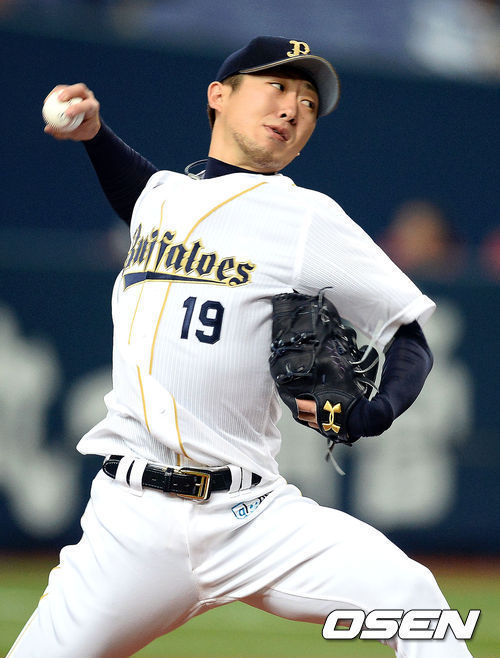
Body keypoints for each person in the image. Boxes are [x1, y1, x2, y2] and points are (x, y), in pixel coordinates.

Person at [9, 36, 473, 657]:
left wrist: (376, 410)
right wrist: (95, 137)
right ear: (219, 96)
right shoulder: (164, 197)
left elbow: (408, 331)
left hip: (251, 517)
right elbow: (144, 195)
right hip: (129, 523)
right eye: (277, 86)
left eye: (308, 103)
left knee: (411, 595)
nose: (292, 109)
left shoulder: (306, 218)